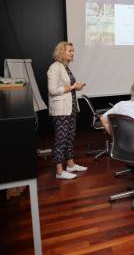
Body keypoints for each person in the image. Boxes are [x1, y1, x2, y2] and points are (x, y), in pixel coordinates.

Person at [47, 41, 87, 180]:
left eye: (73, 51)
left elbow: (69, 86)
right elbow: (52, 90)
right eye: (70, 51)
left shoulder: (66, 67)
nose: (72, 53)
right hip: (61, 109)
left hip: (71, 107)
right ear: (61, 53)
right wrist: (72, 87)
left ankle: (70, 164)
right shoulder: (54, 67)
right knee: (61, 139)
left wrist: (77, 87)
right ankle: (59, 171)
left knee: (70, 137)